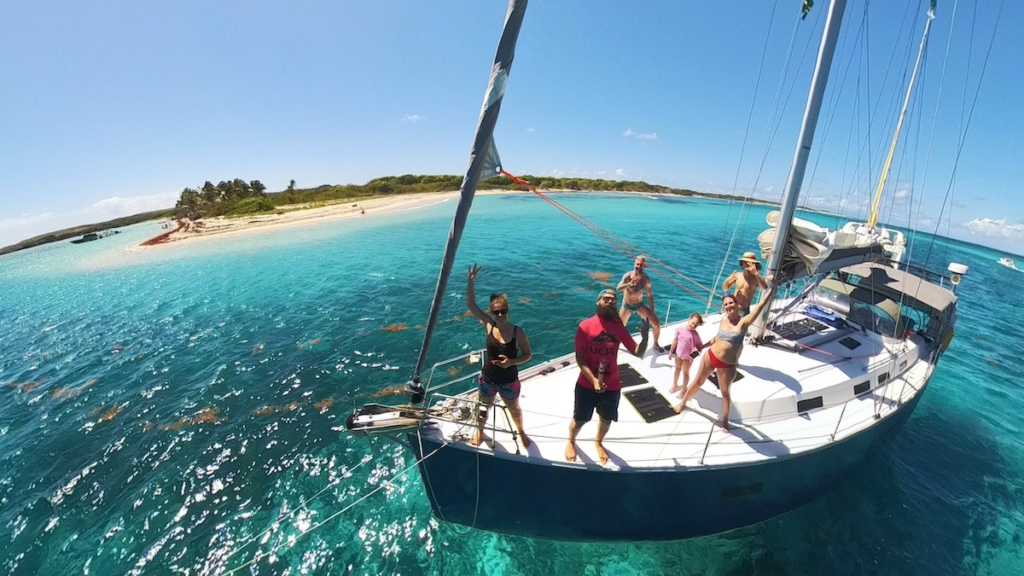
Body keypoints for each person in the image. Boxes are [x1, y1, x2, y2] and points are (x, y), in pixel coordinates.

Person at [674, 285, 776, 433]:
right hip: (711, 355)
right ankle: (683, 403)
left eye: (731, 303)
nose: (728, 306)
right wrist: (703, 346)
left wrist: (771, 289)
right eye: (726, 304)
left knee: (725, 393)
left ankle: (726, 420)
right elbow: (717, 338)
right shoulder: (723, 319)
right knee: (697, 381)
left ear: (737, 304)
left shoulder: (744, 322)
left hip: (727, 365)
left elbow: (760, 306)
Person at [566, 289, 648, 464]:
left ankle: (598, 442)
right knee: (580, 419)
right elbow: (580, 359)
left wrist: (646, 336)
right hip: (587, 385)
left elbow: (637, 352)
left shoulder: (619, 328)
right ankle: (571, 441)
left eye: (614, 300)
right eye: (606, 299)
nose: (610, 302)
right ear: (598, 301)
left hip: (611, 386)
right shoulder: (585, 326)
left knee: (606, 419)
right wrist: (594, 380)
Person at [466, 264, 533, 448]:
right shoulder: (489, 325)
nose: (501, 314)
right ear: (491, 313)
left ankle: (521, 432)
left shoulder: (518, 332)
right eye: (496, 312)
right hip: (488, 378)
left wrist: (511, 362)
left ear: (508, 310)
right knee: (482, 409)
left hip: (509, 380)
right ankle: (480, 431)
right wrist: (470, 282)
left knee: (515, 410)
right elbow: (471, 304)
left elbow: (528, 355)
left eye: (504, 311)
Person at [616, 255, 664, 352]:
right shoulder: (627, 276)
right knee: (619, 328)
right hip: (626, 305)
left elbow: (649, 295)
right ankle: (615, 346)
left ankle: (655, 344)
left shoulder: (646, 279)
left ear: (644, 267)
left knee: (656, 324)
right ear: (634, 264)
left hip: (638, 305)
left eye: (641, 265)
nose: (639, 267)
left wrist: (653, 312)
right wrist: (629, 284)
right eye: (638, 264)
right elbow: (618, 289)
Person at [668, 313, 705, 396]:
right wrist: (671, 351)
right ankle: (675, 384)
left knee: (685, 373)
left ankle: (684, 389)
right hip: (678, 354)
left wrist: (697, 350)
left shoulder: (695, 335)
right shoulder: (679, 329)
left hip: (687, 358)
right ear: (689, 319)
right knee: (677, 369)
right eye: (692, 323)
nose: (692, 326)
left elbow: (700, 346)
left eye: (695, 325)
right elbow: (675, 340)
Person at [723, 251, 770, 316]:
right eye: (745, 262)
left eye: (750, 263)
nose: (747, 264)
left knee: (742, 325)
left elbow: (765, 287)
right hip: (733, 307)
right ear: (742, 264)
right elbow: (725, 288)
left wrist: (756, 273)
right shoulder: (738, 276)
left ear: (754, 264)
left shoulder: (756, 279)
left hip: (743, 309)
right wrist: (728, 278)